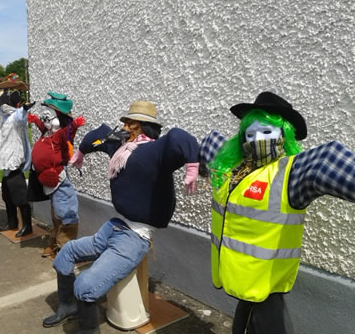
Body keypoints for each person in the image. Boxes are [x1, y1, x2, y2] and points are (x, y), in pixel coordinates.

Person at [199, 91, 355, 334]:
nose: (257, 140)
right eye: (250, 134)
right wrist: (193, 164)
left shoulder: (290, 174)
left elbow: (326, 161)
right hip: (239, 279)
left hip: (267, 285)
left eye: (267, 132)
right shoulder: (233, 169)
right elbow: (208, 144)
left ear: (284, 135)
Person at [42, 101, 199, 333]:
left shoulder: (155, 151)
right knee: (66, 253)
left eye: (131, 123)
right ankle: (68, 306)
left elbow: (178, 137)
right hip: (115, 226)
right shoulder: (120, 148)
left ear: (144, 127)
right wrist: (81, 152)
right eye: (125, 122)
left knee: (86, 284)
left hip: (134, 237)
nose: (125, 126)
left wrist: (192, 166)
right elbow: (96, 136)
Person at [28, 92, 85, 257]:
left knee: (67, 213)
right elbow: (41, 124)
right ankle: (54, 244)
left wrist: (75, 125)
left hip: (58, 178)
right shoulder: (46, 132)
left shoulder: (60, 133)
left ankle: (65, 250)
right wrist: (34, 119)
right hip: (46, 180)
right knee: (56, 214)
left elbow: (69, 131)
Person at [0, 73, 35, 237]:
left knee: (20, 197)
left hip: (14, 164)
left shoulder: (15, 118)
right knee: (7, 196)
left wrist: (24, 108)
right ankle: (12, 222)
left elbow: (20, 115)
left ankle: (27, 225)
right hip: (5, 165)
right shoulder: (2, 118)